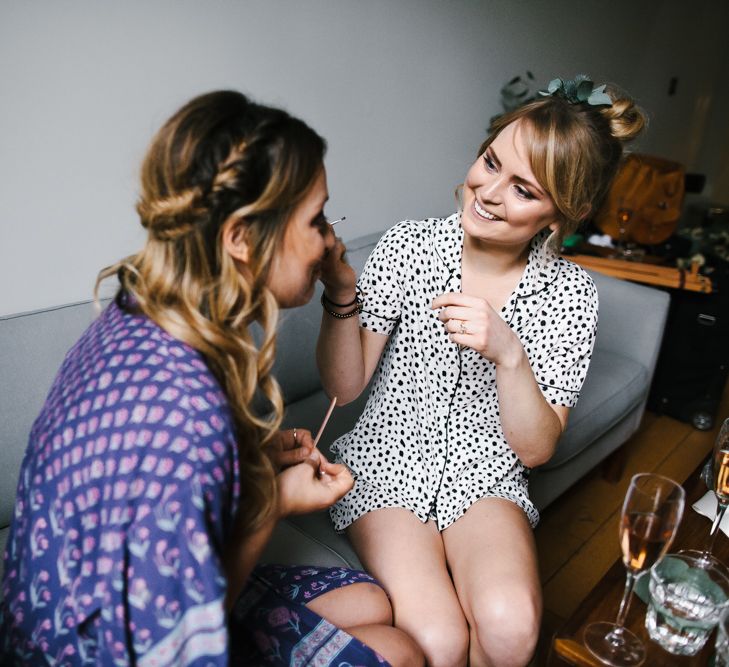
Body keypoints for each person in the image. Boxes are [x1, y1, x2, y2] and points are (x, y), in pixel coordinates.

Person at [0, 90, 423, 666]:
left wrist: (249, 457)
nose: (330, 240)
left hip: (98, 592)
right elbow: (168, 648)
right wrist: (269, 501)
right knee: (400, 652)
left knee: (370, 599)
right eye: (315, 218)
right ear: (241, 238)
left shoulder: (144, 311)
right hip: (97, 648)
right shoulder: (179, 413)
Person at [316, 76, 646, 667]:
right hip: (386, 462)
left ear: (563, 212)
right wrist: (344, 296)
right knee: (438, 639)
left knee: (512, 625)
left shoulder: (571, 295)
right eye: (490, 162)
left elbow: (537, 449)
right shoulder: (408, 246)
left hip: (486, 475)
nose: (487, 192)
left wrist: (509, 353)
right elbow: (345, 388)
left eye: (523, 189)